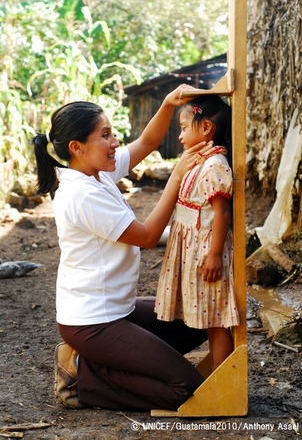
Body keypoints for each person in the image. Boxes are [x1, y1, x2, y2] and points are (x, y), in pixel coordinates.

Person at [32, 85, 214, 411]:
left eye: (113, 133)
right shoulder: (80, 194)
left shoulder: (96, 173)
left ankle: (113, 359)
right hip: (92, 321)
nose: (114, 142)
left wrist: (171, 101)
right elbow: (145, 237)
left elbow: (147, 142)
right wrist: (176, 177)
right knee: (184, 389)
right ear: (77, 147)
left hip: (118, 309)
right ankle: (82, 375)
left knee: (200, 320)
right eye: (106, 135)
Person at [154, 95, 240, 372]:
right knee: (210, 320)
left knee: (215, 323)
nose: (179, 135)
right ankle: (218, 378)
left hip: (205, 251)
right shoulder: (201, 160)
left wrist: (215, 254)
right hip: (194, 249)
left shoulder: (215, 165)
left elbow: (222, 213)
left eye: (183, 127)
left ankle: (225, 384)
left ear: (205, 128)